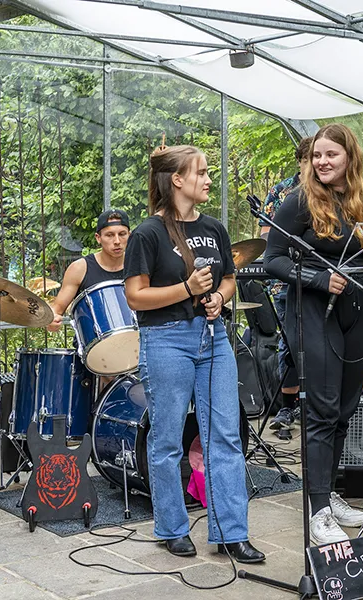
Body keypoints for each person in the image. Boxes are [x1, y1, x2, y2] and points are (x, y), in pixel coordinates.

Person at [123, 144, 265, 563]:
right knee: (166, 439)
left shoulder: (215, 228)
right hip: (165, 338)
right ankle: (171, 527)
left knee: (224, 435)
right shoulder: (147, 234)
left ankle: (231, 533)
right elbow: (135, 295)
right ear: (177, 180)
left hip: (213, 337)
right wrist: (186, 290)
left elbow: (229, 278)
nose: (207, 179)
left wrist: (219, 297)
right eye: (200, 173)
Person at [264, 123, 363, 545]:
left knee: (346, 408)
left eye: (331, 154)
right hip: (312, 310)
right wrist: (315, 278)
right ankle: (316, 511)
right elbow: (272, 260)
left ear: (350, 156)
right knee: (322, 409)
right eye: (317, 155)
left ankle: (329, 495)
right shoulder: (297, 202)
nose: (322, 162)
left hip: (357, 309)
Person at [262, 136, 312, 434]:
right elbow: (267, 236)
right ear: (300, 162)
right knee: (290, 343)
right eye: (309, 160)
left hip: (318, 284)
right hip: (285, 283)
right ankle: (287, 405)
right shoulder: (281, 192)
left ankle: (314, 404)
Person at [47, 208, 131, 332]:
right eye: (110, 235)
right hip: (93, 348)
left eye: (122, 234)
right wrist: (51, 320)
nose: (117, 241)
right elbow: (57, 309)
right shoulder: (80, 269)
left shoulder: (141, 264)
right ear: (98, 237)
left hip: (137, 343)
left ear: (129, 234)